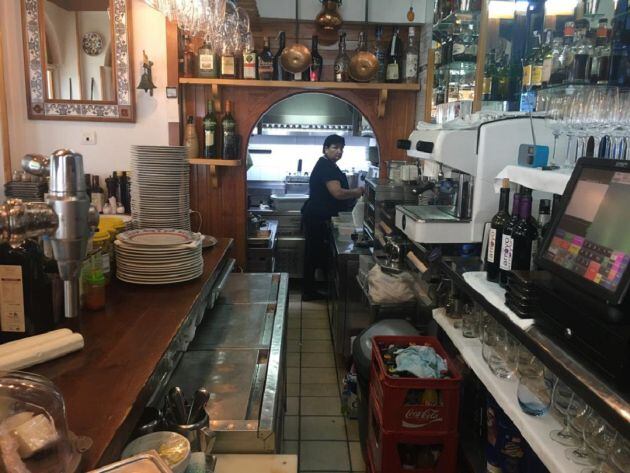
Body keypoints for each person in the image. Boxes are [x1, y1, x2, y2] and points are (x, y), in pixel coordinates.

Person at [301, 134, 364, 301]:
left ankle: (312, 289)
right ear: (325, 149)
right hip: (317, 217)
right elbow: (337, 193)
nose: (339, 151)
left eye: (341, 148)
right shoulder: (326, 167)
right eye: (335, 147)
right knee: (314, 254)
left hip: (318, 215)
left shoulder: (328, 165)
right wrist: (357, 192)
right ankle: (309, 292)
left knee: (314, 253)